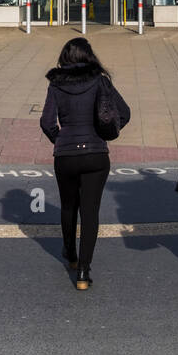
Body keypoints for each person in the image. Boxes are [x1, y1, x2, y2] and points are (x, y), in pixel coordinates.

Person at [40, 38, 130, 290]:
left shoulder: (55, 85)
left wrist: (61, 141)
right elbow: (125, 112)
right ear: (89, 56)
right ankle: (83, 272)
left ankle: (70, 253)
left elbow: (47, 122)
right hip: (95, 155)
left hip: (66, 155)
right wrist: (105, 132)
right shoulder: (100, 81)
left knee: (68, 206)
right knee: (90, 211)